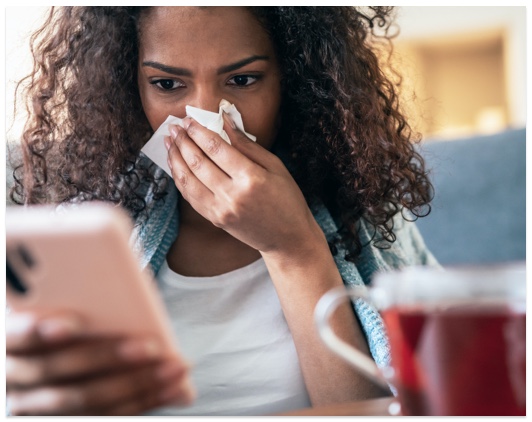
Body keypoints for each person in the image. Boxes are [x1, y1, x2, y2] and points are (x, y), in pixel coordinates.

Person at [6, 6, 438, 416]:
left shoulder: (367, 213)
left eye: (244, 79)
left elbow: (412, 404)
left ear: (293, 79)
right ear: (129, 86)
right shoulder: (81, 227)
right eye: (168, 84)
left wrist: (295, 249)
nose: (208, 116)